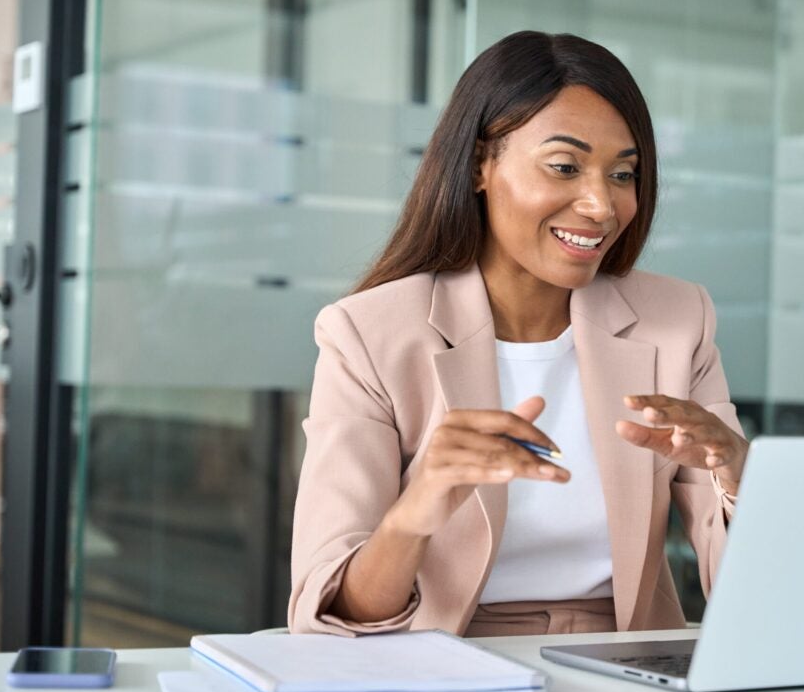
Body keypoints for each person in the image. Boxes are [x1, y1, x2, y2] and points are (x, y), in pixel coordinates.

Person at [289, 31, 748, 638]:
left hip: (627, 666)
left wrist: (739, 474)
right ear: (481, 165)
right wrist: (417, 510)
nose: (602, 206)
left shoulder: (677, 319)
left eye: (622, 174)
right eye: (565, 167)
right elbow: (327, 618)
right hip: (442, 664)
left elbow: (755, 596)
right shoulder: (370, 335)